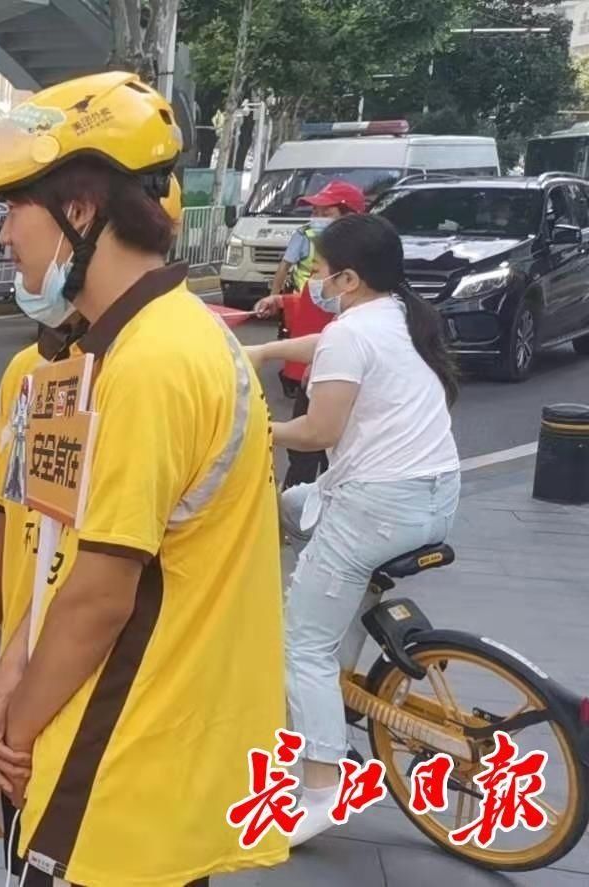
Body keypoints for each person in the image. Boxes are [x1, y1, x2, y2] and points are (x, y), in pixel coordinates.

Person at [0, 70, 286, 883]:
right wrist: (6, 669)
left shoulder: (153, 362)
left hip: (114, 767)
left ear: (79, 210)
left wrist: (11, 731)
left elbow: (103, 593)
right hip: (127, 757)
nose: (5, 237)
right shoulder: (130, 347)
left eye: (14, 211)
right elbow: (64, 547)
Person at [243, 213, 461, 846]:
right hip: (433, 496)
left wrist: (256, 430)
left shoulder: (352, 330)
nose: (312, 277)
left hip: (374, 506)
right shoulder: (397, 314)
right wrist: (265, 349)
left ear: (349, 277)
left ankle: (319, 785)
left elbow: (316, 434)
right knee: (289, 508)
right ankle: (325, 701)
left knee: (301, 645)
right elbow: (330, 348)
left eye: (319, 269)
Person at [255, 179, 366, 488]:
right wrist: (280, 300)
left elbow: (337, 333)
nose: (316, 217)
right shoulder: (330, 263)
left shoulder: (355, 288)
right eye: (314, 209)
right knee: (305, 456)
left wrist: (252, 429)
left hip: (324, 374)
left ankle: (298, 516)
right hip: (313, 370)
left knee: (317, 451)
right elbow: (311, 302)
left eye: (324, 211)